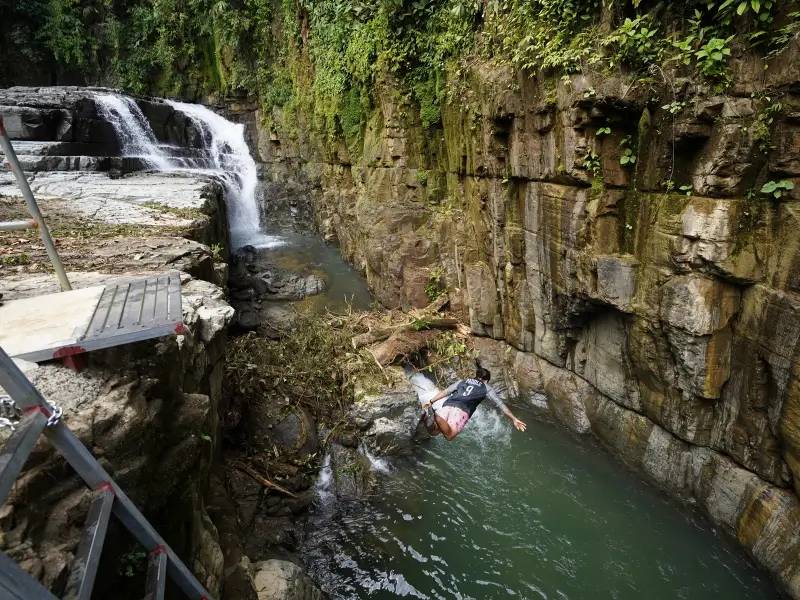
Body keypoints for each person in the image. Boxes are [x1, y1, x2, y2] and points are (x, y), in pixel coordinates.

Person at [419, 365, 527, 441]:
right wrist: (514, 418)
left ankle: (425, 417)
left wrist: (431, 401)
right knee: (449, 435)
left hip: (448, 404)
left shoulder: (463, 381)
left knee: (435, 432)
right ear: (486, 380)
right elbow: (500, 404)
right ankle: (436, 416)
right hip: (462, 410)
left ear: (477, 376)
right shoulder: (486, 387)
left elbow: (446, 391)